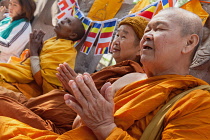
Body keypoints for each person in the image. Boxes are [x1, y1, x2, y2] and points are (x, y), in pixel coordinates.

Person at [1, 7, 210, 139]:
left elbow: (98, 126)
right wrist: (85, 104)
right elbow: (79, 125)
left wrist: (105, 127)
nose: (148, 36)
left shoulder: (198, 102)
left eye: (159, 29)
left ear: (189, 42)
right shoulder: (130, 79)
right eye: (147, 31)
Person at [0, 16, 148, 135]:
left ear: (139, 50)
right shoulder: (115, 70)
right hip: (40, 105)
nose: (116, 40)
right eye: (116, 34)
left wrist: (78, 89)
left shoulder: (132, 76)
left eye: (123, 36)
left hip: (57, 122)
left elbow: (101, 112)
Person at [0, 16, 85, 98]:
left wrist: (34, 51)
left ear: (73, 35)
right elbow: (40, 60)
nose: (62, 21)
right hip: (23, 73)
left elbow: (43, 81)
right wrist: (38, 48)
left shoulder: (66, 51)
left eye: (68, 22)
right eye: (65, 19)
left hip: (32, 86)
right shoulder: (53, 41)